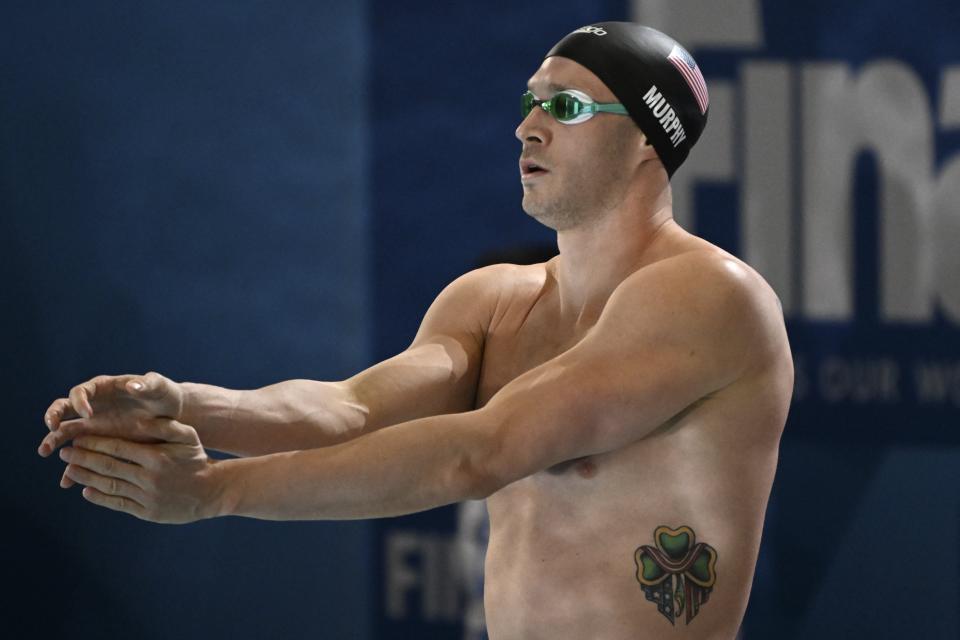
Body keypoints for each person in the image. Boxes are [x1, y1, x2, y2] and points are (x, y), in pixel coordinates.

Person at [38, 22, 792, 639]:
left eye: (565, 109)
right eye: (530, 103)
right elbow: (347, 411)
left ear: (648, 143)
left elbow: (479, 454)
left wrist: (211, 489)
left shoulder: (711, 298)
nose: (527, 128)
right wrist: (180, 403)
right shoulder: (495, 300)